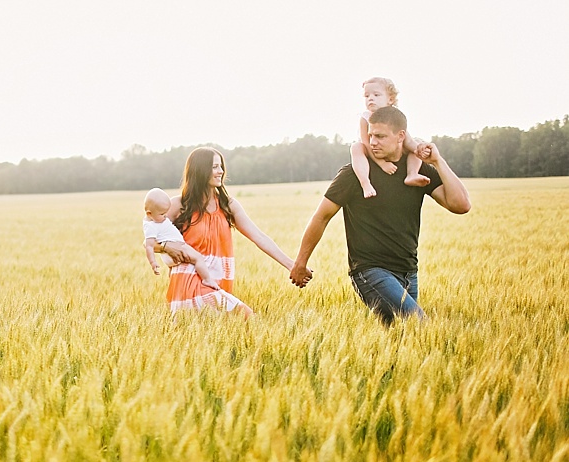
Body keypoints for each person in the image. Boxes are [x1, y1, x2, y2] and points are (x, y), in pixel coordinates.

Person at [290, 105, 471, 325]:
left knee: (402, 338)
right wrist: (300, 262)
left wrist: (437, 162)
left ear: (400, 136)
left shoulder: (416, 171)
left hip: (408, 271)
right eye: (370, 135)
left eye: (380, 136)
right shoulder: (354, 174)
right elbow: (321, 216)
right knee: (419, 325)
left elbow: (460, 205)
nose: (372, 141)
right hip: (370, 270)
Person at [156, 147, 297, 316]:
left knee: (208, 337)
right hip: (188, 280)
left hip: (218, 281)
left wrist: (292, 266)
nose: (220, 171)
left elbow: (259, 237)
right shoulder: (178, 205)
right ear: (200, 169)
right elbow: (150, 242)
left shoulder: (227, 205)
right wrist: (167, 246)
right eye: (215, 167)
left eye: (221, 166)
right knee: (245, 316)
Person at [352, 77, 432, 198]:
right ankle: (365, 183)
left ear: (390, 99)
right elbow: (367, 144)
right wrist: (382, 164)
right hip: (370, 151)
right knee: (356, 147)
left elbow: (408, 141)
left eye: (376, 94)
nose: (371, 98)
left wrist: (420, 149)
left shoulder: (394, 116)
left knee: (417, 143)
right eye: (367, 96)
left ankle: (412, 174)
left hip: (392, 149)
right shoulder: (365, 117)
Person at [143, 187, 219, 290]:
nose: (166, 216)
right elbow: (148, 246)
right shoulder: (151, 227)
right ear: (149, 213)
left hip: (168, 257)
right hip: (179, 247)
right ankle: (207, 279)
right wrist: (153, 263)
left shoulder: (153, 220)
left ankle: (174, 287)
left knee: (172, 270)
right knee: (198, 258)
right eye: (162, 214)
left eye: (166, 212)